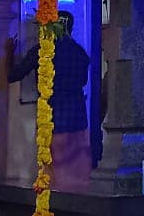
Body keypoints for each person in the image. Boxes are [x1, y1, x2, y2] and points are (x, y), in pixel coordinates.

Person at [8, 12, 92, 192]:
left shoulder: (42, 50)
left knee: (54, 175)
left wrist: (9, 52)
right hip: (78, 119)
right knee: (76, 173)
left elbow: (14, 75)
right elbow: (83, 81)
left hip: (54, 118)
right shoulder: (80, 53)